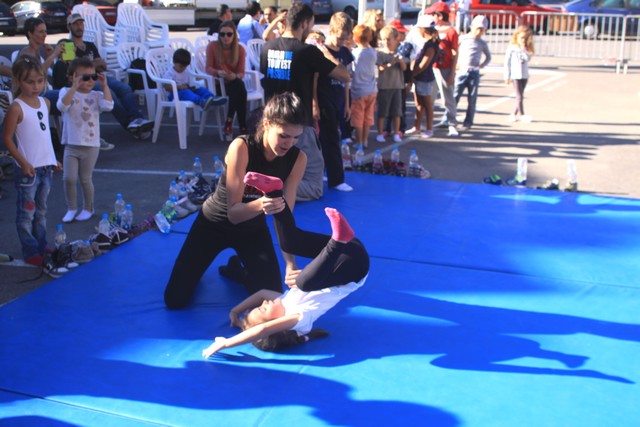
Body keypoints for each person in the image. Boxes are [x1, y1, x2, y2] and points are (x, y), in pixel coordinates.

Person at [163, 92, 308, 310]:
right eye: (284, 136)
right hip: (214, 224)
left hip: (252, 229)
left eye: (296, 137)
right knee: (175, 300)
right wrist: (263, 203)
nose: (290, 143)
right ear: (267, 124)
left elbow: (285, 217)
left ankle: (238, 270)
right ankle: (197, 268)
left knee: (273, 297)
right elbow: (233, 214)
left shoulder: (298, 159)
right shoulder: (242, 147)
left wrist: (291, 264)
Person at [202, 200, 369, 356]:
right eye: (263, 309)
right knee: (302, 283)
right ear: (277, 324)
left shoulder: (284, 301)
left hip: (347, 249)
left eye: (260, 306)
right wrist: (226, 343)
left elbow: (261, 293)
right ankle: (338, 240)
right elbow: (262, 330)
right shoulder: (298, 318)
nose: (264, 303)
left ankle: (274, 193)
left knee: (290, 244)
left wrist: (235, 311)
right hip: (354, 267)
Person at [260, 3, 350, 200]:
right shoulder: (308, 52)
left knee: (279, 165)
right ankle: (269, 190)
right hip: (298, 126)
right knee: (314, 186)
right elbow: (344, 75)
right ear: (304, 23)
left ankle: (267, 186)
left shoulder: (267, 48)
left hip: (271, 125)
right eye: (311, 24)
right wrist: (325, 52)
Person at [55, 14, 154, 144]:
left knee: (124, 88)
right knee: (110, 94)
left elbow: (102, 65)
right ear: (69, 27)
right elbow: (73, 67)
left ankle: (137, 119)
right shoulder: (68, 45)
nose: (79, 27)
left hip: (98, 75)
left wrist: (91, 64)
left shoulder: (90, 45)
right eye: (75, 24)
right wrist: (93, 64)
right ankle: (130, 125)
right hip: (85, 80)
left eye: (81, 23)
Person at [2, 57, 61, 268]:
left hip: (45, 168)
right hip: (28, 170)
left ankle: (41, 245)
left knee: (41, 210)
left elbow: (44, 136)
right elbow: (8, 139)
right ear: (18, 81)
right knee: (26, 212)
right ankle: (30, 250)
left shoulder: (45, 103)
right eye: (30, 82)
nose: (36, 86)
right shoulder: (16, 108)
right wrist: (23, 162)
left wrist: (52, 158)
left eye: (40, 81)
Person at [57, 58, 113, 224]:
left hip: (91, 146)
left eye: (93, 77)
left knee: (85, 179)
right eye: (85, 77)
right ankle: (71, 208)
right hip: (71, 145)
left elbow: (108, 106)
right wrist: (74, 88)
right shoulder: (66, 92)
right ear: (71, 77)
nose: (90, 81)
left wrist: (104, 86)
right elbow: (62, 106)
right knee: (68, 178)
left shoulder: (96, 95)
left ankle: (88, 208)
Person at [316, 12, 354, 193]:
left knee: (332, 138)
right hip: (325, 99)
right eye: (340, 38)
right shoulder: (322, 51)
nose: (342, 42)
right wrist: (314, 103)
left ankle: (327, 172)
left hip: (338, 100)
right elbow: (315, 79)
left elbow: (346, 80)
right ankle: (336, 179)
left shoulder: (345, 52)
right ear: (331, 31)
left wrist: (347, 104)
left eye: (345, 38)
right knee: (329, 139)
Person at [206, 21, 248, 141]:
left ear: (234, 35)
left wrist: (235, 76)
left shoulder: (240, 49)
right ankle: (242, 127)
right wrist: (217, 72)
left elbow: (241, 72)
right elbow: (208, 68)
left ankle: (229, 122)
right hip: (218, 84)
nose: (225, 37)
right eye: (222, 34)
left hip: (233, 83)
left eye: (229, 34)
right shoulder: (212, 46)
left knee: (238, 86)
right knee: (240, 90)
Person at [427, 2, 460, 137]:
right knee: (430, 97)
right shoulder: (433, 30)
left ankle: (452, 123)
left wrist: (452, 72)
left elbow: (455, 53)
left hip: (444, 68)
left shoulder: (451, 31)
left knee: (447, 98)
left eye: (433, 15)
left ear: (440, 16)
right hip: (431, 68)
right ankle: (428, 124)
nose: (432, 17)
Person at [454, 15, 491, 131]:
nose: (479, 32)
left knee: (472, 98)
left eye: (482, 30)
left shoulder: (482, 43)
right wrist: (456, 63)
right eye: (478, 28)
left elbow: (488, 57)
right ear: (471, 26)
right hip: (461, 71)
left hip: (474, 72)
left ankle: (468, 121)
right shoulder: (463, 39)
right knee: (455, 96)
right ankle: (448, 119)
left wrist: (482, 65)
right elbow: (455, 51)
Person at [405, 15, 439, 139]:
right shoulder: (428, 43)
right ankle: (416, 126)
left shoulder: (431, 45)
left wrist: (413, 74)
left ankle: (429, 128)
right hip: (420, 77)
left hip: (424, 77)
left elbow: (424, 64)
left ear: (423, 29)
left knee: (427, 104)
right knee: (419, 103)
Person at [376, 25, 406, 144]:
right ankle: (380, 133)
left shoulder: (399, 53)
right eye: (384, 39)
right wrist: (390, 63)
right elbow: (380, 68)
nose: (386, 42)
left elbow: (404, 68)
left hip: (397, 86)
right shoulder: (380, 54)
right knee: (382, 112)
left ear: (395, 39)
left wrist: (400, 61)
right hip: (384, 86)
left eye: (389, 39)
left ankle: (396, 132)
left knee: (397, 112)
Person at [350, 24, 378, 149]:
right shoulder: (373, 52)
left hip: (359, 90)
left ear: (355, 38)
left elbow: (351, 69)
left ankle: (359, 141)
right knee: (368, 117)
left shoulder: (355, 53)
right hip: (371, 89)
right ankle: (365, 140)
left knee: (358, 117)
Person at [504, 25, 534, 123]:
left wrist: (524, 49)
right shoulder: (512, 48)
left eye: (525, 38)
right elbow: (507, 62)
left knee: (520, 96)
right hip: (515, 75)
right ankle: (522, 115)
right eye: (521, 38)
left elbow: (528, 58)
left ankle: (513, 114)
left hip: (524, 75)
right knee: (519, 96)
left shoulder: (525, 49)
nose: (523, 40)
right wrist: (507, 76)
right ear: (516, 37)